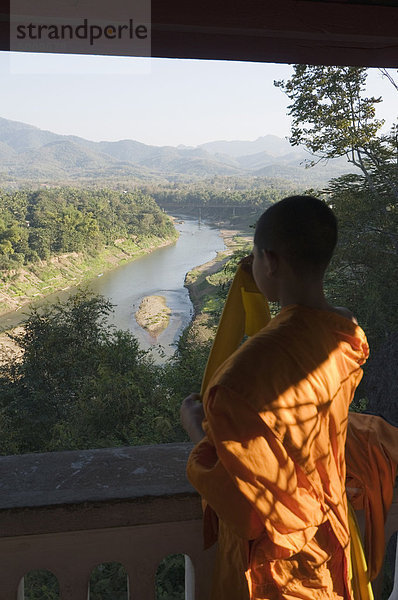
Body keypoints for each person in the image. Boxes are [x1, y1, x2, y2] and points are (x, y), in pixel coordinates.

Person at [181, 196, 369, 600]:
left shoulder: (240, 375)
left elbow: (244, 497)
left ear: (269, 261)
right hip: (332, 536)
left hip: (276, 565)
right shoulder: (349, 336)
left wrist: (196, 427)